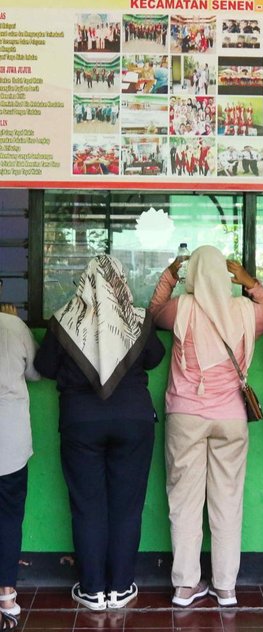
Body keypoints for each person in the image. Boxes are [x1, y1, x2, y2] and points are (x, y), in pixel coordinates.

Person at [149, 245, 263, 607]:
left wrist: (169, 275)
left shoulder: (182, 308)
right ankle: (225, 586)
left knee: (184, 502)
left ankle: (185, 586)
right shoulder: (244, 311)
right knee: (227, 502)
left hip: (185, 416)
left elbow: (152, 313)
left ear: (193, 275)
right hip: (230, 419)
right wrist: (250, 283)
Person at [34, 255, 165, 611]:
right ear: (121, 282)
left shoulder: (63, 320)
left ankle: (92, 590)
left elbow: (43, 366)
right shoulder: (138, 319)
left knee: (87, 507)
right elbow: (155, 356)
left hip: (81, 423)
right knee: (126, 506)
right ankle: (121, 587)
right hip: (134, 422)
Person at [0, 303, 40, 624]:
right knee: (9, 518)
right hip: (8, 443)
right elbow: (37, 371)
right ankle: (6, 595)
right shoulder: (13, 326)